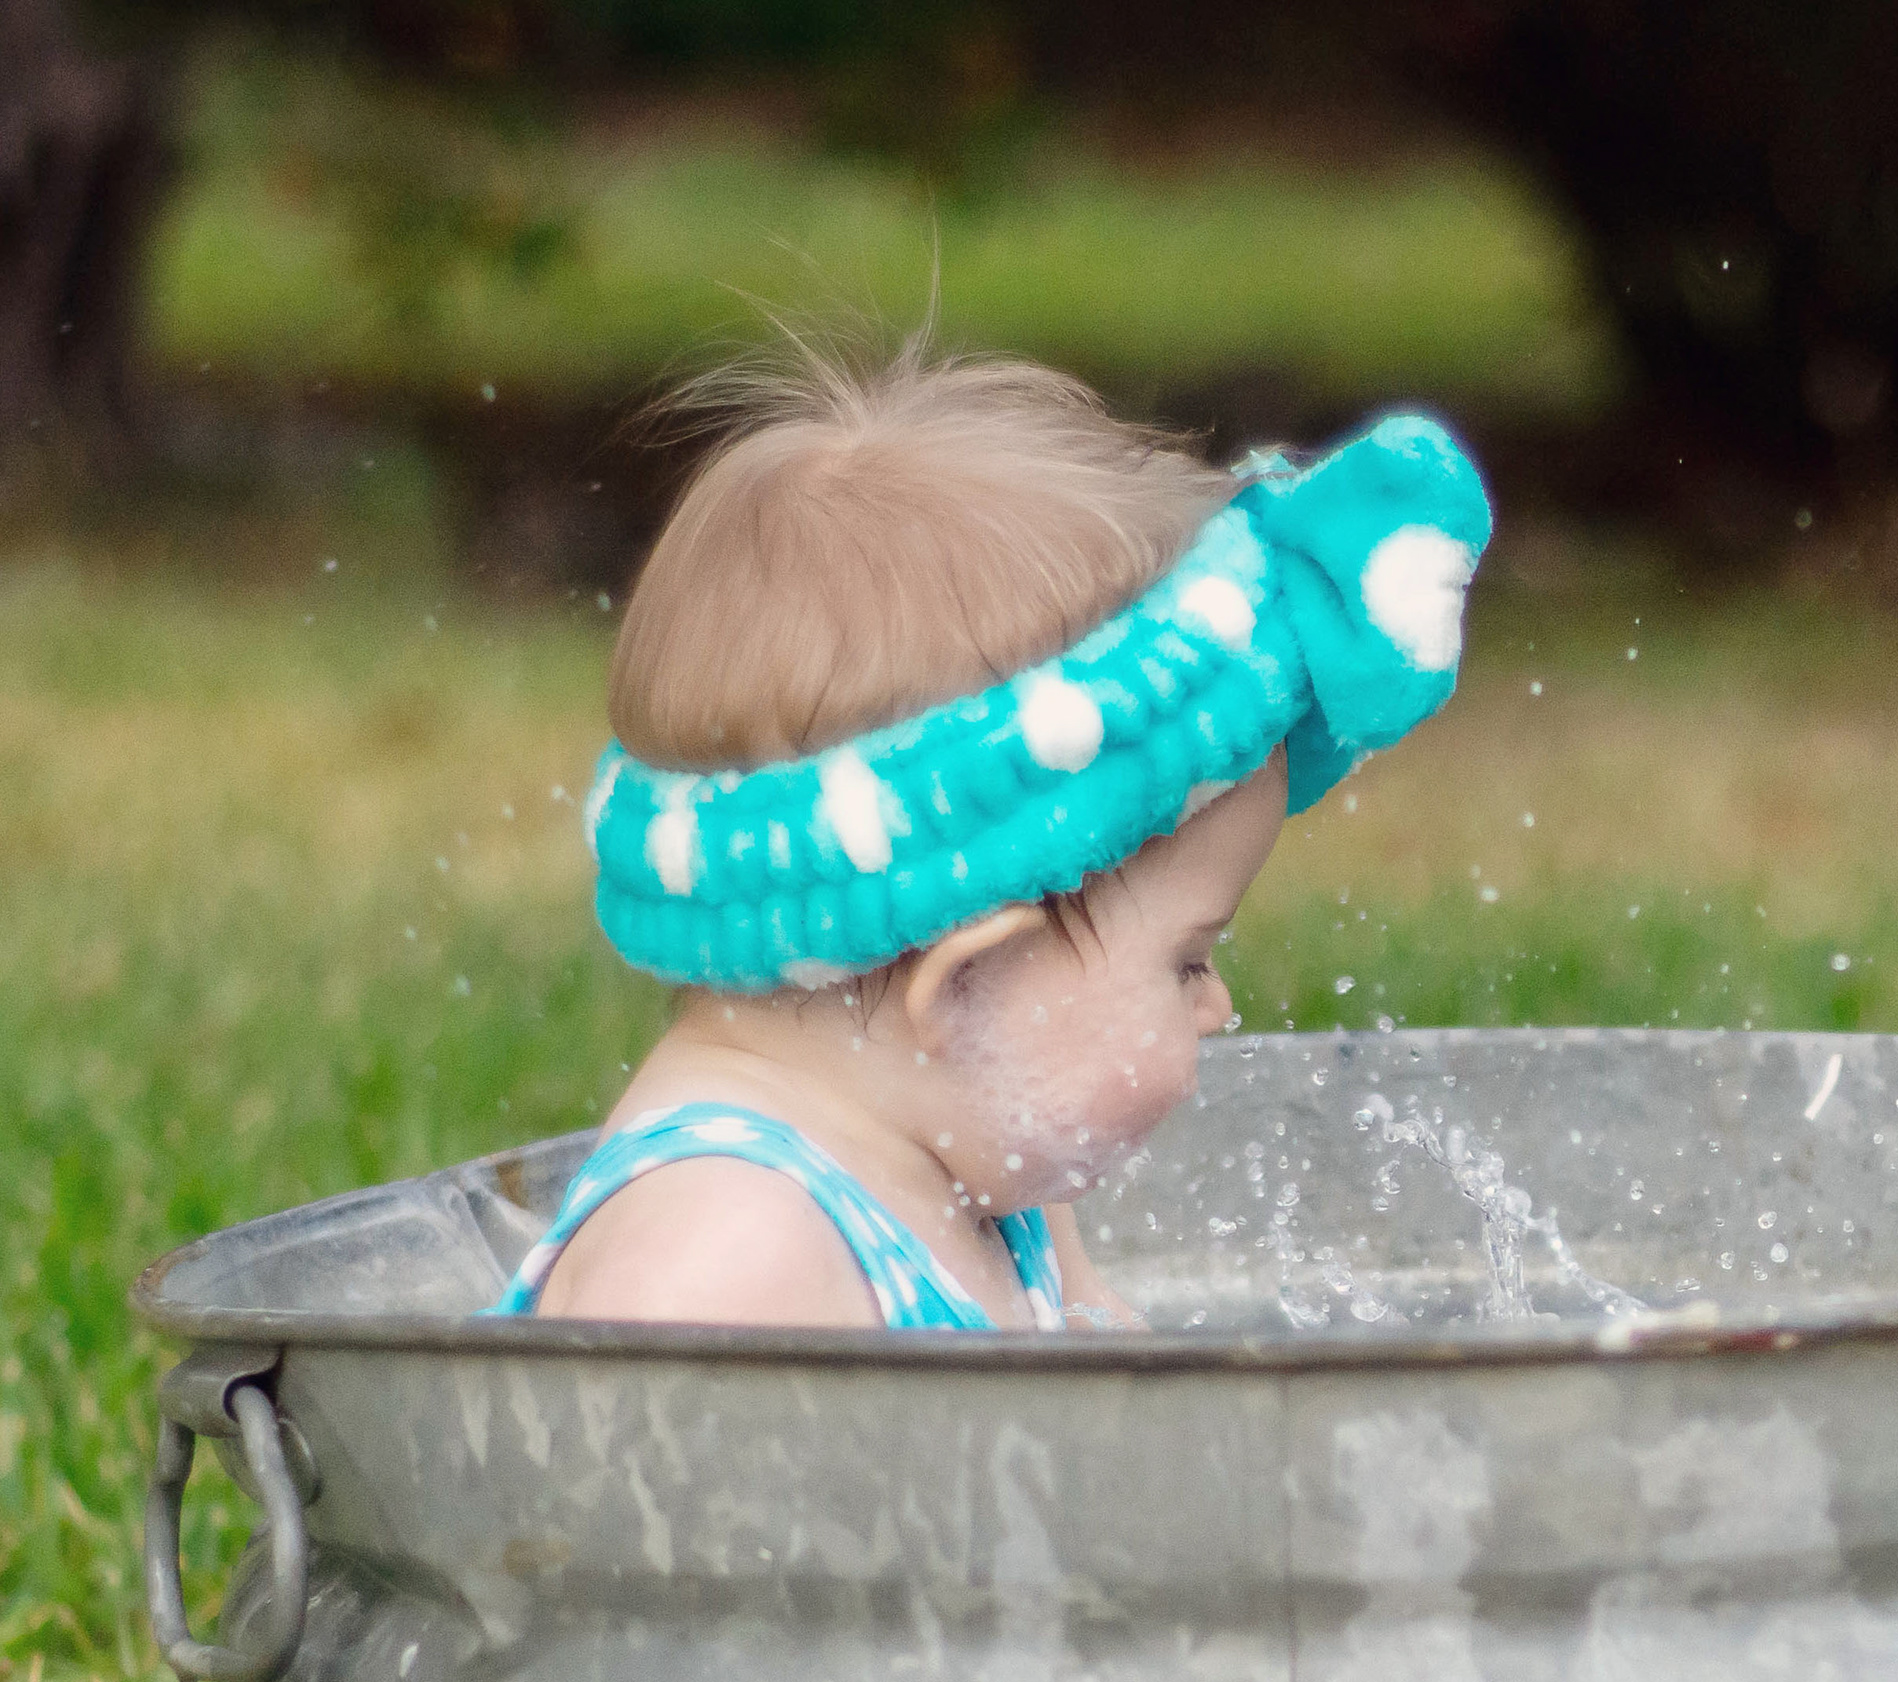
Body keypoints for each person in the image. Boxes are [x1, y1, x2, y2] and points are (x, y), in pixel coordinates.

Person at [489, 339, 1487, 1331]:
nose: (1217, 1005)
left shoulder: (982, 1163)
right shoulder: (722, 1259)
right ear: (963, 987)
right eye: (1187, 960)